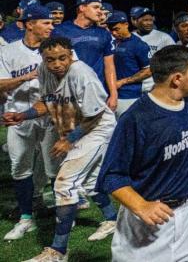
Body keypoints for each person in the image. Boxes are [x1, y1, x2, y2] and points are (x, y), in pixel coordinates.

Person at [96, 45, 188, 262]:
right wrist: (141, 206)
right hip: (151, 219)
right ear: (177, 78)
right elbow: (111, 175)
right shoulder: (137, 119)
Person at [6, 37, 119, 262]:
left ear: (70, 55)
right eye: (50, 59)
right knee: (89, 182)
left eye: (62, 58)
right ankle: (112, 219)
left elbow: (95, 114)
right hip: (78, 131)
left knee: (64, 183)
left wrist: (70, 139)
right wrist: (23, 115)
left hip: (97, 130)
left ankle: (57, 251)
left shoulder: (81, 73)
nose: (57, 63)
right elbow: (45, 103)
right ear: (43, 59)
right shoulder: (44, 71)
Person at [0, 5, 59, 241]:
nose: (51, 26)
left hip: (50, 116)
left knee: (54, 168)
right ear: (30, 23)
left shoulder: (59, 48)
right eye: (46, 22)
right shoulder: (8, 50)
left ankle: (63, 215)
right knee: (19, 168)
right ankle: (26, 218)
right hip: (18, 117)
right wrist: (27, 76)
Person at [52, 0, 118, 111]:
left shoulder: (103, 33)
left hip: (96, 90)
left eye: (100, 8)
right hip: (69, 91)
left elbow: (109, 66)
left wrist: (113, 94)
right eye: (95, 7)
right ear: (82, 8)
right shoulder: (60, 31)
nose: (100, 11)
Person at [107, 11, 152, 117]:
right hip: (110, 94)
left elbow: (149, 70)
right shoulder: (110, 43)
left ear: (126, 24)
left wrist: (123, 81)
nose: (113, 33)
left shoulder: (139, 44)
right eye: (111, 30)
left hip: (129, 96)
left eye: (116, 29)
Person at [131, 6, 175, 93]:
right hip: (133, 85)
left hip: (154, 86)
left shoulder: (163, 38)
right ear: (136, 21)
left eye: (150, 20)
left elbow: (174, 60)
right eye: (145, 20)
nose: (149, 23)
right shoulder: (130, 37)